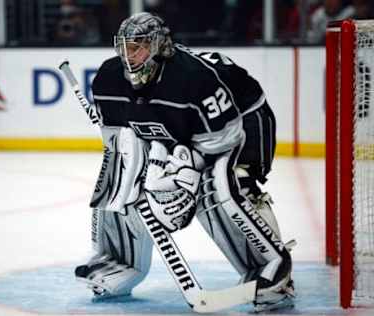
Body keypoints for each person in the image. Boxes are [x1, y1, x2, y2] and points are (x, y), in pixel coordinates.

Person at [74, 12, 295, 312]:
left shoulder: (194, 79)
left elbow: (223, 142)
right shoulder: (108, 78)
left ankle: (272, 271)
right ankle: (120, 261)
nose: (129, 55)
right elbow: (122, 144)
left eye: (137, 46)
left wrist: (185, 179)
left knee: (225, 184)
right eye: (124, 47)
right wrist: (145, 174)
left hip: (242, 119)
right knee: (122, 175)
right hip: (182, 128)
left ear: (158, 46)